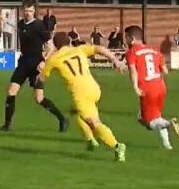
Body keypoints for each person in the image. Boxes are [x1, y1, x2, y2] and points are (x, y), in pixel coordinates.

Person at [38, 32, 128, 161]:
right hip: (94, 88)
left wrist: (40, 69)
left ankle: (117, 146)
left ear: (56, 46)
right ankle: (91, 140)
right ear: (69, 42)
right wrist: (115, 60)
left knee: (94, 122)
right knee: (76, 112)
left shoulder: (54, 59)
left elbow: (41, 78)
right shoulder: (79, 49)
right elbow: (100, 48)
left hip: (81, 93)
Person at [0, 0, 67, 133]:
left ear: (34, 11)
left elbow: (50, 46)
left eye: (30, 11)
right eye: (26, 11)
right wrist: (4, 20)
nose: (28, 13)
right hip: (23, 63)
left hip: (37, 65)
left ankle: (62, 119)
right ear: (23, 11)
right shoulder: (20, 24)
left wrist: (44, 60)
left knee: (39, 98)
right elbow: (14, 28)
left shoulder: (39, 25)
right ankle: (7, 125)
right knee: (11, 91)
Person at [123, 26, 179, 150]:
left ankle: (169, 123)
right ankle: (167, 145)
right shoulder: (154, 49)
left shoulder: (132, 52)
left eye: (127, 38)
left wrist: (135, 86)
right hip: (160, 86)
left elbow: (133, 71)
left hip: (147, 89)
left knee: (149, 121)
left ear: (132, 39)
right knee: (151, 116)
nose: (126, 41)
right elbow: (165, 70)